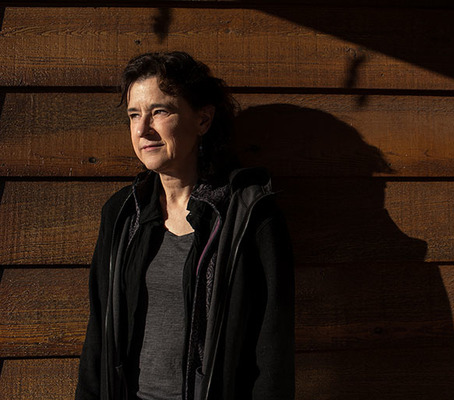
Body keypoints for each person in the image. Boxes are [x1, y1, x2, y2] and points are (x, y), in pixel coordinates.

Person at [75, 52, 295, 400]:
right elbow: (98, 338)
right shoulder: (122, 214)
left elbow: (272, 352)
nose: (142, 129)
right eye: (134, 114)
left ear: (203, 119)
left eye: (159, 112)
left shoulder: (249, 216)